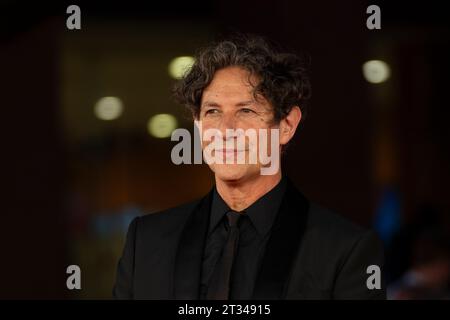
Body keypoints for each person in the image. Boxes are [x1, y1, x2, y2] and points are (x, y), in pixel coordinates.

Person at [113, 34, 386, 299]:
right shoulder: (146, 242)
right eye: (213, 111)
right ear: (197, 125)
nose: (226, 130)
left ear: (287, 125)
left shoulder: (344, 251)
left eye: (246, 111)